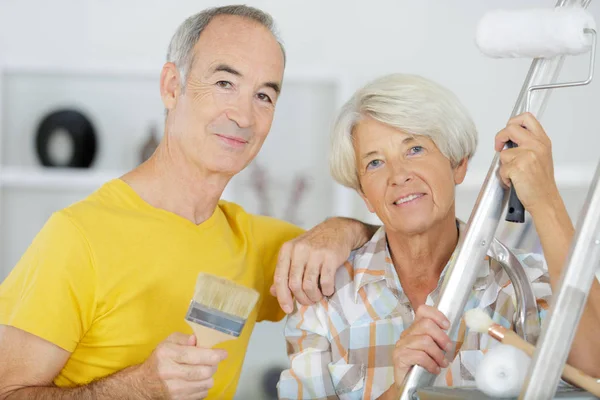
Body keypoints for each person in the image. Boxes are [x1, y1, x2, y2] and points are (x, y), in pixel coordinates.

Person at [0, 6, 376, 400]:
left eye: (264, 95)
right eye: (225, 83)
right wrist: (137, 388)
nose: (244, 116)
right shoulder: (78, 236)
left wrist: (343, 229)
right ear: (171, 86)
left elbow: (401, 254)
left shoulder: (258, 245)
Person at [277, 73, 600, 399]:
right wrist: (400, 391)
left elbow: (595, 369)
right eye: (375, 163)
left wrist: (545, 201)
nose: (398, 175)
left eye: (415, 149)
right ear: (364, 195)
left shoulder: (526, 282)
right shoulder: (322, 298)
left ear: (458, 164)